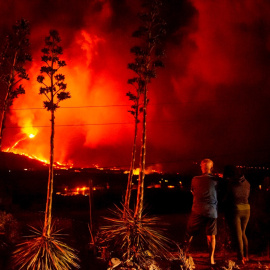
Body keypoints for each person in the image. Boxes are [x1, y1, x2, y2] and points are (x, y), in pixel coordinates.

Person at [185, 158, 221, 266]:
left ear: (202, 167)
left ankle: (185, 253)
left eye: (201, 166)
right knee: (211, 236)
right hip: (211, 211)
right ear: (211, 167)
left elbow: (193, 192)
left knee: (189, 233)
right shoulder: (216, 180)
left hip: (197, 210)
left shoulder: (195, 179)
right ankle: (211, 259)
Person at [223, 165, 250, 265]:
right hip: (247, 209)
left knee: (238, 235)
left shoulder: (231, 184)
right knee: (243, 233)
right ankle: (246, 256)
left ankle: (240, 258)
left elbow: (226, 197)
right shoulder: (247, 183)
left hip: (236, 209)